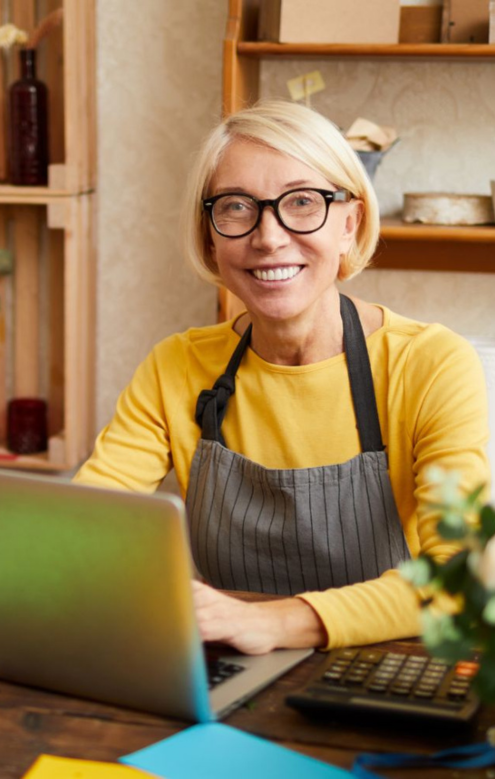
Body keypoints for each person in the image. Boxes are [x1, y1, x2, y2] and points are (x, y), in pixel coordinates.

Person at [74, 100, 489, 654]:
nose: (268, 237)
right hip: (228, 669)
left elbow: (459, 580)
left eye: (301, 202)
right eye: (237, 207)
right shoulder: (176, 367)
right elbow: (82, 529)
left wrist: (272, 624)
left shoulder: (431, 364)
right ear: (210, 237)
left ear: (350, 223)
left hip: (382, 673)